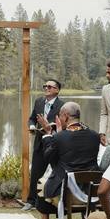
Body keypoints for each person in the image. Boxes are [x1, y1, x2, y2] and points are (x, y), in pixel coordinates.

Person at [31, 102, 100, 219]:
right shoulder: (94, 135)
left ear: (66, 116)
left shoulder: (59, 138)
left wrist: (48, 135)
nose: (59, 119)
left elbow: (49, 158)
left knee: (41, 184)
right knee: (83, 179)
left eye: (60, 116)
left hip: (66, 192)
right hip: (90, 191)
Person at [23, 78, 63, 211]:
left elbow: (64, 125)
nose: (46, 88)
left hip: (54, 144)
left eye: (50, 87)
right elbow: (31, 118)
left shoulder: (62, 106)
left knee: (57, 173)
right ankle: (31, 201)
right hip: (40, 142)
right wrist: (32, 126)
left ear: (57, 90)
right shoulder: (39, 102)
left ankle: (56, 200)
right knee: (35, 173)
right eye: (45, 86)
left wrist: (50, 128)